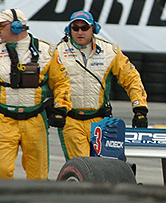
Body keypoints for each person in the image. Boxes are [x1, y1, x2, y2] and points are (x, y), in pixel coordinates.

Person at [0, 8, 72, 180]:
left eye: (1, 25)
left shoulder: (47, 52)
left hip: (35, 121)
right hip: (4, 121)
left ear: (16, 27)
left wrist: (61, 107)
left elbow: (61, 82)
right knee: (0, 171)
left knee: (38, 176)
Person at [55, 10, 148, 161]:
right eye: (75, 28)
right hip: (71, 121)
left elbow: (131, 78)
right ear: (69, 30)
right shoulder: (57, 52)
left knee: (105, 167)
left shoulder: (110, 51)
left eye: (84, 28)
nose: (79, 32)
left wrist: (140, 108)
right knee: (84, 168)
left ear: (94, 29)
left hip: (100, 120)